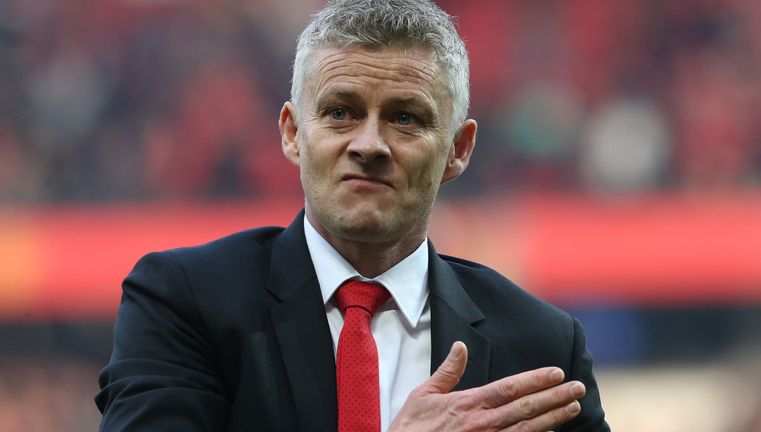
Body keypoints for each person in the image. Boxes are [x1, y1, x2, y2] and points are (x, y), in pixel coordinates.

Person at [96, 0, 610, 430]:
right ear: (293, 133)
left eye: (405, 118)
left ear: (458, 149)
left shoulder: (541, 348)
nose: (369, 144)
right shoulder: (185, 302)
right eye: (340, 112)